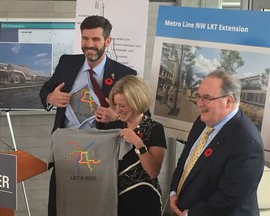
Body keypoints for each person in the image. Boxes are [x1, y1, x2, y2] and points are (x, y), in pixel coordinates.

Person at [39, 15, 137, 215]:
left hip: (102, 157)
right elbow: (45, 89)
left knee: (97, 207)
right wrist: (50, 97)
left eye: (95, 39)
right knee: (60, 205)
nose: (89, 45)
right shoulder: (67, 63)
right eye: (85, 38)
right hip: (66, 151)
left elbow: (141, 116)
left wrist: (116, 115)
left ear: (107, 41)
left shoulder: (125, 75)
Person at [169, 69, 264, 216]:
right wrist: (173, 191)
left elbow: (228, 197)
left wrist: (190, 214)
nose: (199, 103)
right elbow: (185, 160)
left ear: (228, 101)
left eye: (207, 98)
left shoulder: (247, 143)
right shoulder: (202, 122)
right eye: (199, 96)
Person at [105, 75, 167, 216]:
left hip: (144, 201)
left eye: (123, 106)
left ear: (136, 102)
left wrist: (138, 144)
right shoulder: (114, 126)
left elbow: (153, 172)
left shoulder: (155, 128)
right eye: (115, 104)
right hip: (115, 201)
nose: (117, 110)